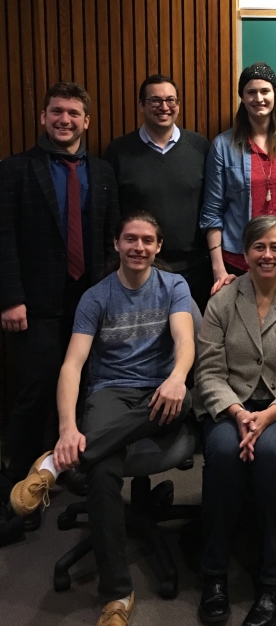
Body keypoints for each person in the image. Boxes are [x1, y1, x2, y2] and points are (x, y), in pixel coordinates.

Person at [9, 210, 195, 626]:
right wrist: (67, 429)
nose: (139, 247)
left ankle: (55, 466)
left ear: (159, 246)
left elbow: (185, 339)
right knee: (103, 468)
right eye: (131, 239)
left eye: (148, 240)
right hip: (110, 392)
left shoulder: (174, 286)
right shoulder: (96, 296)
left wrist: (178, 376)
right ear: (116, 244)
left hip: (160, 391)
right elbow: (73, 365)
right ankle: (117, 596)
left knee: (183, 402)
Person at [194, 215, 276, 626]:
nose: (267, 255)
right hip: (230, 405)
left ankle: (274, 579)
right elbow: (208, 373)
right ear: (246, 253)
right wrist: (238, 414)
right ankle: (214, 574)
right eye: (259, 247)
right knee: (221, 450)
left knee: (271, 453)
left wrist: (267, 416)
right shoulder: (222, 300)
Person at [0, 82, 120, 528]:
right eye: (56, 112)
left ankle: (71, 467)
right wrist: (11, 298)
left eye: (73, 113)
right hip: (33, 304)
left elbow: (112, 243)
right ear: (43, 117)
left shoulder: (103, 172)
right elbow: (4, 238)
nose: (64, 120)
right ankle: (20, 483)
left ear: (86, 121)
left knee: (89, 386)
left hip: (89, 301)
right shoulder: (14, 170)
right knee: (35, 390)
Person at [104, 74, 212, 311]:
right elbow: (111, 213)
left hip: (194, 270)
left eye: (170, 100)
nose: (164, 107)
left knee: (192, 339)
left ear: (178, 105)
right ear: (141, 105)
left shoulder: (200, 147)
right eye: (155, 100)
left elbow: (212, 205)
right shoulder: (118, 151)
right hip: (140, 269)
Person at [200, 62, 276, 296]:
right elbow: (212, 212)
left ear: (274, 95)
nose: (259, 98)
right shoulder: (223, 146)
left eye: (265, 91)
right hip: (238, 259)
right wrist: (218, 269)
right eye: (251, 92)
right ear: (242, 98)